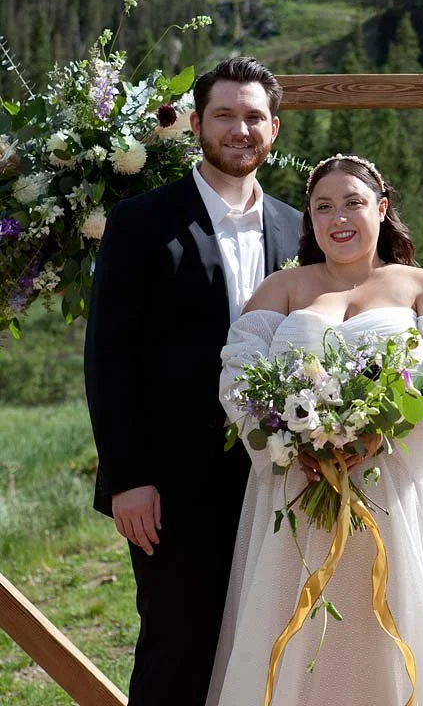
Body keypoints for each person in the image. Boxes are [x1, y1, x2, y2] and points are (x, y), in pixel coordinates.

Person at [206, 153, 423, 706]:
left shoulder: (421, 285)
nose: (338, 217)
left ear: (382, 208)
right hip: (298, 488)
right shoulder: (284, 288)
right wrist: (288, 440)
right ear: (310, 218)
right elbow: (239, 376)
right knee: (296, 620)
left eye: (353, 202)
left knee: (395, 611)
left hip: (396, 486)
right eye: (323, 206)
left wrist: (382, 434)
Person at [84, 56, 302, 706]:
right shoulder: (142, 221)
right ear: (197, 125)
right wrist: (128, 479)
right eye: (225, 115)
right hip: (169, 490)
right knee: (176, 654)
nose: (240, 129)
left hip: (282, 484)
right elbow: (109, 357)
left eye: (253, 117)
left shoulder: (298, 228)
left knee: (273, 648)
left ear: (275, 129)